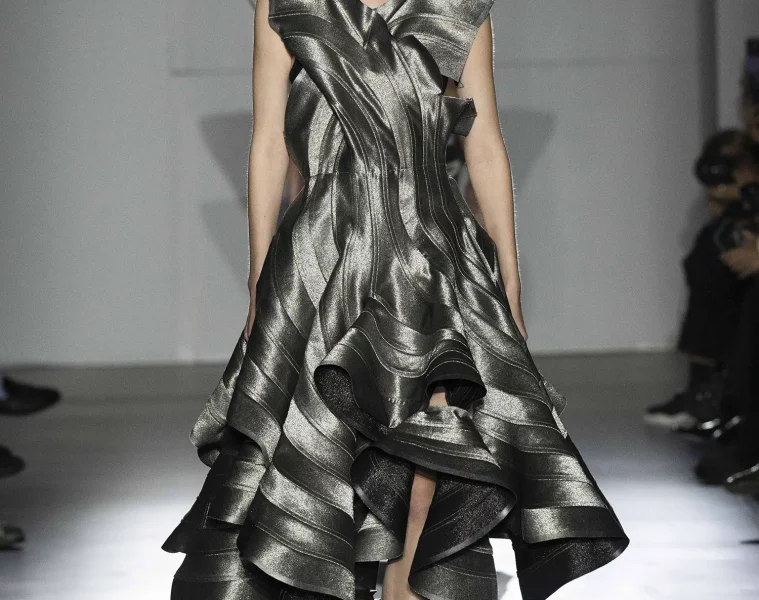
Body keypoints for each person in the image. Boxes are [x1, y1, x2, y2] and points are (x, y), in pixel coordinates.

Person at [162, 2, 628, 599]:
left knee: (429, 470)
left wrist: (510, 278)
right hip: (325, 257)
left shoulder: (458, 7)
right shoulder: (284, 4)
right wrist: (260, 275)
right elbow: (269, 144)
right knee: (327, 461)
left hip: (433, 257)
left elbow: (485, 144)